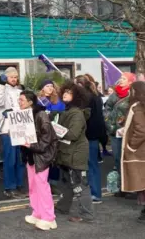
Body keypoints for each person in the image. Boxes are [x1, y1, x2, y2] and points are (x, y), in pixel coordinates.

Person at [55, 81, 94, 223]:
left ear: (77, 96)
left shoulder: (76, 113)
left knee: (79, 185)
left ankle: (86, 214)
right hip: (67, 153)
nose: (65, 94)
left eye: (69, 92)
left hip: (75, 154)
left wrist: (55, 129)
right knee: (66, 182)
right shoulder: (67, 111)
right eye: (64, 91)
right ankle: (62, 207)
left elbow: (73, 134)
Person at [19, 91, 58, 231]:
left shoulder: (41, 115)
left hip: (41, 156)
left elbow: (47, 138)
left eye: (22, 100)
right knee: (33, 186)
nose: (19, 102)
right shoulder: (23, 116)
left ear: (30, 102)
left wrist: (32, 145)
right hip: (30, 156)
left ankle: (49, 218)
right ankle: (37, 213)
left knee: (42, 186)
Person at [0, 67, 24, 198]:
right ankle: (9, 187)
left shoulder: (19, 91)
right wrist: (0, 85)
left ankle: (19, 184)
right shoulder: (1, 90)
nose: (14, 79)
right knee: (9, 160)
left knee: (19, 160)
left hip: (20, 129)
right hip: (7, 130)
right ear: (6, 78)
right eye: (11, 77)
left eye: (15, 77)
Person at [75, 75, 107, 204]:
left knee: (90, 165)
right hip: (94, 135)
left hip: (88, 135)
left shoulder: (86, 98)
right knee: (90, 165)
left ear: (80, 85)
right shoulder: (96, 96)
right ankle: (93, 192)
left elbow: (86, 118)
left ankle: (95, 193)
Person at [104, 72, 136, 197]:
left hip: (129, 132)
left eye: (124, 78)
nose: (121, 80)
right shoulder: (114, 95)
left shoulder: (133, 95)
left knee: (129, 159)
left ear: (130, 82)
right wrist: (111, 126)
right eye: (121, 78)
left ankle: (131, 186)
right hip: (115, 132)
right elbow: (107, 110)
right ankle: (121, 187)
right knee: (117, 159)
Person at [120, 81, 145, 223]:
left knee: (141, 182)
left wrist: (130, 146)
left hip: (139, 152)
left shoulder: (137, 107)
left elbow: (141, 130)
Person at [39, 80, 65, 194]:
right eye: (47, 86)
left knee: (54, 159)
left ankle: (53, 183)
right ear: (42, 88)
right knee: (44, 159)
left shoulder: (57, 100)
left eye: (51, 86)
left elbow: (63, 113)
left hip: (55, 133)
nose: (50, 88)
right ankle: (43, 183)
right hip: (42, 134)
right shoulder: (39, 100)